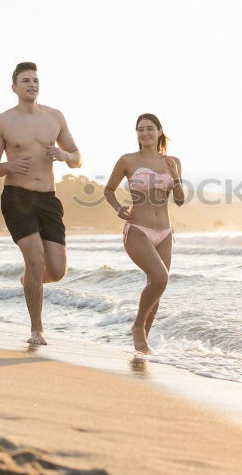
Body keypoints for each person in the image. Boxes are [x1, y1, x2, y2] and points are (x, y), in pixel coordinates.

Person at [0, 62, 82, 345]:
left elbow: (77, 156)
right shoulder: (2, 121)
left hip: (48, 198)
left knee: (56, 270)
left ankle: (28, 280)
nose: (32, 84)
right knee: (36, 259)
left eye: (35, 80)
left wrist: (66, 157)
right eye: (26, 80)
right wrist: (10, 165)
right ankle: (36, 330)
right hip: (17, 196)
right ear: (14, 87)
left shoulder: (55, 117)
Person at [104, 113, 184, 353]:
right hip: (137, 228)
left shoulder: (173, 161)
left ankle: (142, 348)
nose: (145, 133)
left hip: (165, 231)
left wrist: (176, 176)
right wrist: (119, 208)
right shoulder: (128, 160)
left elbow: (179, 200)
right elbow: (108, 190)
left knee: (156, 287)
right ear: (137, 134)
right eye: (141, 129)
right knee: (161, 278)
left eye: (150, 128)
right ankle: (138, 326)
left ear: (159, 131)